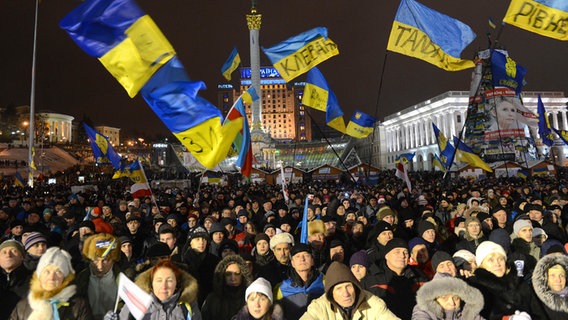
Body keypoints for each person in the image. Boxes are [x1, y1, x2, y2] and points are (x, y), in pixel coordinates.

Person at [467, 241, 545, 319]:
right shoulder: (477, 288)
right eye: (491, 260)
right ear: (481, 264)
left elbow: (539, 313)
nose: (497, 264)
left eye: (500, 259)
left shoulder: (520, 283)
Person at [9, 247, 93, 319]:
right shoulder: (23, 306)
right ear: (39, 276)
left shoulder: (78, 305)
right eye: (47, 272)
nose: (52, 277)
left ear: (65, 278)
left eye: (58, 272)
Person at [301, 261, 399, 320]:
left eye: (348, 286)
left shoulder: (373, 303)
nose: (346, 293)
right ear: (331, 292)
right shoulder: (319, 307)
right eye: (338, 289)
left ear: (355, 287)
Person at [114, 260, 202, 320]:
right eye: (159, 280)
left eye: (169, 281)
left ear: (177, 284)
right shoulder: (137, 301)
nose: (164, 286)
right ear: (151, 283)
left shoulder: (188, 306)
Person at [76, 233, 122, 320]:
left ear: (113, 260)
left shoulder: (125, 280)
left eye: (105, 260)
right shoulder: (80, 279)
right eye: (95, 260)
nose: (100, 267)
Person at [274, 243, 325, 320]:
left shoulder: (325, 282)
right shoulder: (281, 289)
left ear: (312, 261)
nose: (302, 259)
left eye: (306, 255)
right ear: (292, 263)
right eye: (297, 256)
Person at [201, 255, 253, 320]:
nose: (233, 278)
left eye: (237, 273)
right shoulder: (212, 299)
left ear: (243, 275)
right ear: (223, 276)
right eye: (228, 274)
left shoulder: (250, 299)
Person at [412, 274, 484, 320]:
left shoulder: (467, 311)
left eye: (456, 297)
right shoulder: (423, 310)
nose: (452, 303)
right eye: (444, 298)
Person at [0, 239, 32, 319]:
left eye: (14, 251)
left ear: (22, 256)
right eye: (4, 252)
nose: (8, 255)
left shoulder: (33, 280)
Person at [532, 253, 568, 319]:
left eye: (561, 275)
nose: (558, 280)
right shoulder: (537, 304)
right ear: (545, 278)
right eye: (552, 275)